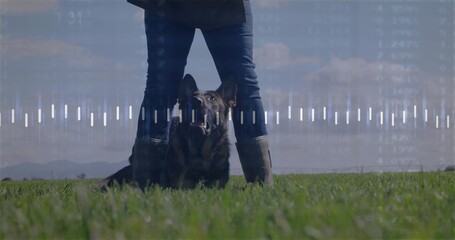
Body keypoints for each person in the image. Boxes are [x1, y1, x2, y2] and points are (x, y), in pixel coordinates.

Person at [106, 0, 273, 188]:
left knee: (243, 86)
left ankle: (261, 184)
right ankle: (146, 185)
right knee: (160, 87)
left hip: (226, 5)